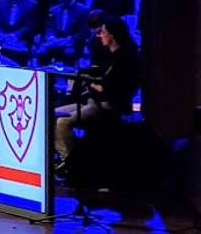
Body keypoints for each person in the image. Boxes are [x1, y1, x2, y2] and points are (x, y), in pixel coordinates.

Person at [53, 15, 140, 172]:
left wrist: (89, 83)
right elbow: (97, 81)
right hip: (93, 100)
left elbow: (107, 89)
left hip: (108, 105)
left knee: (62, 123)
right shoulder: (105, 54)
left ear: (112, 35)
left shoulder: (124, 59)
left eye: (102, 32)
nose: (99, 36)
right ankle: (63, 157)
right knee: (53, 115)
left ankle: (72, 164)